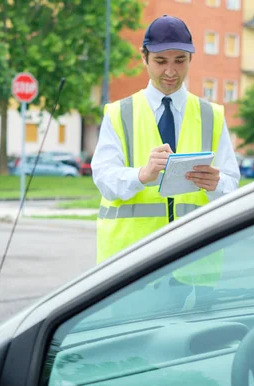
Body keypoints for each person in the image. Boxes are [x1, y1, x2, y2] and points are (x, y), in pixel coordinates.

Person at [91, 14, 241, 276]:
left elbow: (231, 186)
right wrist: (141, 175)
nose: (171, 71)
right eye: (160, 61)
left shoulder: (212, 116)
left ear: (190, 59)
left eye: (179, 61)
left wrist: (216, 184)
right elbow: (104, 178)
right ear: (144, 57)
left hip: (195, 262)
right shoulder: (118, 113)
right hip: (129, 266)